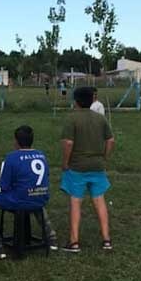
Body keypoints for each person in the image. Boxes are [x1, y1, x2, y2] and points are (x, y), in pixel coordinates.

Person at [0, 126, 57, 259]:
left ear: (16, 141)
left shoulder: (12, 157)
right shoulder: (42, 155)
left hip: (19, 199)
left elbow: (4, 186)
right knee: (34, 200)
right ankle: (51, 238)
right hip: (41, 196)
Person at [60, 87, 115, 253]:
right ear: (92, 100)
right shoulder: (100, 118)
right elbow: (110, 140)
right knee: (100, 201)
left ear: (75, 101)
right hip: (97, 166)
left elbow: (68, 143)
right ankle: (106, 239)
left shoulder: (72, 119)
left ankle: (74, 241)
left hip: (77, 167)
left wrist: (65, 162)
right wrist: (104, 157)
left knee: (76, 202)